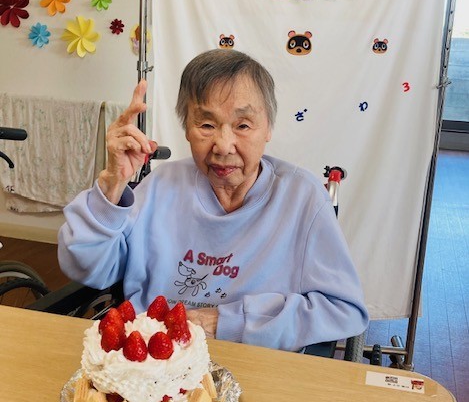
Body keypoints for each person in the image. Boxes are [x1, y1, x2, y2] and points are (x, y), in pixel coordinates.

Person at [58, 49, 368, 351]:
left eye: (242, 125)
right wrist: (113, 182)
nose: (223, 145)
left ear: (268, 128)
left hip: (258, 360)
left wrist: (227, 322)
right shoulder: (160, 186)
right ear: (186, 129)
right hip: (153, 362)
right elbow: (87, 269)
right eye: (206, 125)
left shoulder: (302, 198)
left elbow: (343, 310)